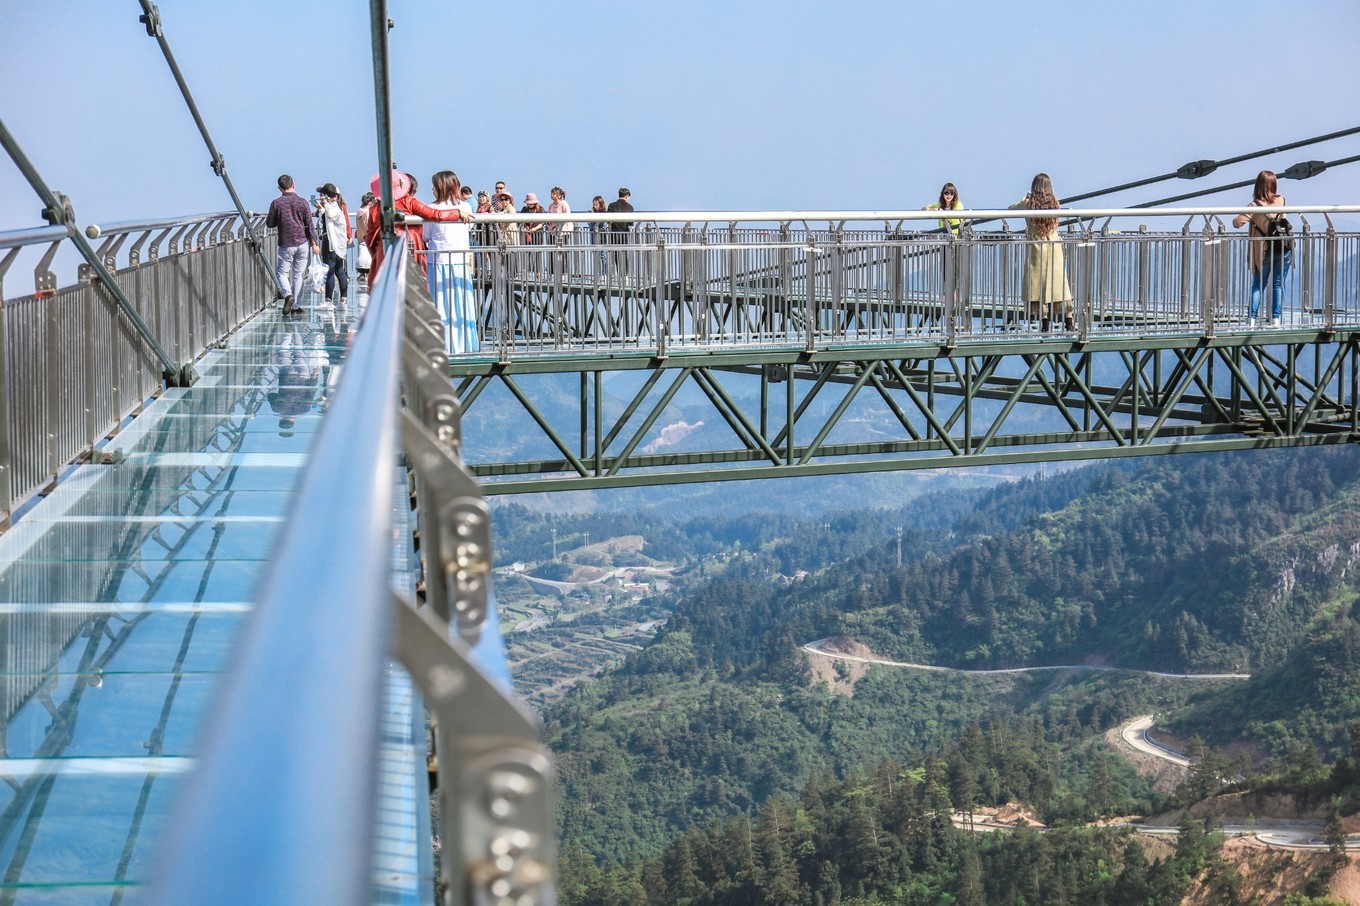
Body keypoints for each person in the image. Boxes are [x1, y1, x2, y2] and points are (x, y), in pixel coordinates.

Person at [362, 171, 471, 283]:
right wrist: (457, 213)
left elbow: (369, 238)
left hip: (386, 250)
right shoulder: (409, 201)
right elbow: (435, 214)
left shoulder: (374, 209)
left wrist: (376, 255)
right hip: (411, 248)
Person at [1008, 173, 1072, 331]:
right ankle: (1069, 321)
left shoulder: (1028, 205)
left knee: (1038, 284)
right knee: (1059, 284)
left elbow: (1010, 209)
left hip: (1037, 247)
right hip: (1055, 247)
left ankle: (1044, 322)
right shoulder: (1055, 204)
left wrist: (1023, 200)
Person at [425, 170, 478, 355]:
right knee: (460, 301)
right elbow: (469, 227)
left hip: (438, 261)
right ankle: (463, 344)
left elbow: (426, 234)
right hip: (460, 261)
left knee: (440, 303)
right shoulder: (466, 207)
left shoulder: (431, 208)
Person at [1232, 169, 1292, 328]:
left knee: (1258, 284)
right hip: (1284, 246)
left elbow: (1237, 223)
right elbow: (1283, 220)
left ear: (1258, 185)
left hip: (1264, 250)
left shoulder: (1254, 206)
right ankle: (1276, 320)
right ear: (1274, 184)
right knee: (1279, 284)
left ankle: (1251, 320)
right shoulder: (1282, 200)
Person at [265, 174, 319, 314]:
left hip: (286, 243)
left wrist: (280, 219)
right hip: (302, 243)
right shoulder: (303, 202)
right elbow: (309, 224)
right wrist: (315, 243)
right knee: (298, 274)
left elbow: (270, 223)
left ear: (279, 188)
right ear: (293, 185)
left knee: (282, 273)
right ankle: (296, 306)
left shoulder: (276, 203)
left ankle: (288, 295)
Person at [314, 182, 351, 306]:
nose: (320, 196)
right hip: (337, 245)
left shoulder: (334, 207)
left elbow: (331, 214)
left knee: (330, 271)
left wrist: (325, 204)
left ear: (327, 196)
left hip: (331, 244)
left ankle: (329, 300)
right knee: (339, 270)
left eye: (322, 194)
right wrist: (321, 208)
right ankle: (343, 298)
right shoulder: (336, 206)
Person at [606, 187, 634, 276]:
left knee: (614, 254)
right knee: (624, 253)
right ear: (626, 196)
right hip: (624, 234)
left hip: (614, 234)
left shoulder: (611, 205)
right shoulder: (630, 207)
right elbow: (631, 223)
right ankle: (625, 274)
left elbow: (608, 220)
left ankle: (614, 274)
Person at [355, 191, 375, 287]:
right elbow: (368, 227)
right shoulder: (368, 213)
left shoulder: (359, 211)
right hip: (368, 240)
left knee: (363, 263)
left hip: (360, 240)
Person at [589, 195, 608, 272]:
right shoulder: (593, 212)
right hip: (594, 235)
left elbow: (603, 224)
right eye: (594, 204)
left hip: (602, 236)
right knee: (596, 254)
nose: (595, 206)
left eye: (596, 204)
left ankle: (604, 273)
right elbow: (590, 225)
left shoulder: (604, 213)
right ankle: (598, 273)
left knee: (603, 255)